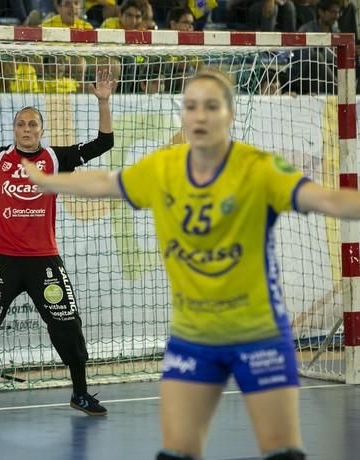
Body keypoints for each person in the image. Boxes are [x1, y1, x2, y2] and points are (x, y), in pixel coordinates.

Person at [21, 68, 355, 459]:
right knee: (176, 453)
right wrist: (47, 179)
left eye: (211, 106)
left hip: (258, 334)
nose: (199, 116)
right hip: (193, 337)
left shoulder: (258, 168)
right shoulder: (163, 169)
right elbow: (104, 183)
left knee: (281, 452)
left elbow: (329, 201)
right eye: (192, 106)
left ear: (229, 114)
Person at [0, 70, 116, 420]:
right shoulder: (0, 160)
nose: (27, 129)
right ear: (14, 130)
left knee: (67, 324)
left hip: (44, 261)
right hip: (4, 261)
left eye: (33, 124)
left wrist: (103, 101)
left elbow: (104, 144)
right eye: (21, 124)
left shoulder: (55, 159)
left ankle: (81, 393)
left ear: (41, 130)